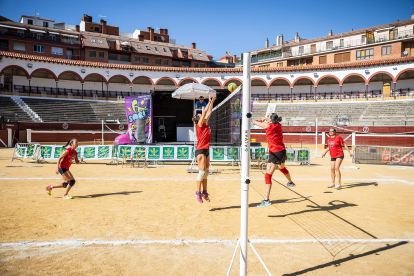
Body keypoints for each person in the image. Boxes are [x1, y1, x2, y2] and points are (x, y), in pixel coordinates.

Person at [252, 113, 295, 208]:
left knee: (268, 175)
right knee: (281, 168)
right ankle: (290, 182)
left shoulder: (268, 126)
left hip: (275, 152)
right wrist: (266, 119)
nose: (267, 117)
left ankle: (266, 200)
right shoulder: (279, 125)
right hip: (282, 151)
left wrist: (262, 119)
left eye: (268, 116)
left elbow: (253, 121)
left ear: (270, 119)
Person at [192, 95, 216, 203]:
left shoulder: (205, 124)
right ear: (198, 119)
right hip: (200, 150)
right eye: (200, 115)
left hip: (206, 150)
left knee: (206, 172)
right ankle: (197, 193)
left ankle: (205, 192)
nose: (202, 115)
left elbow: (209, 111)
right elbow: (206, 111)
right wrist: (209, 100)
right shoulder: (200, 124)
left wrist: (213, 101)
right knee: (201, 173)